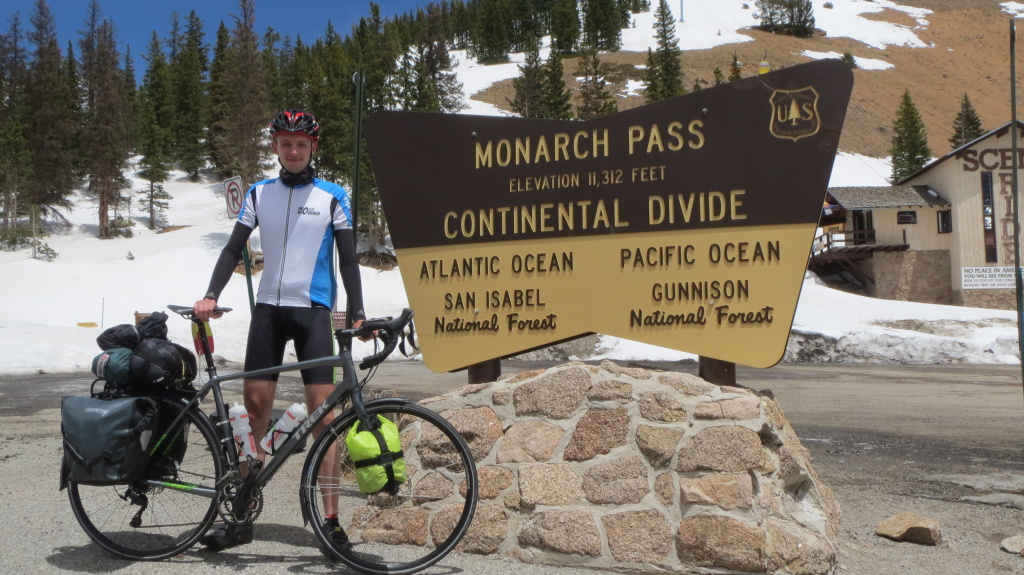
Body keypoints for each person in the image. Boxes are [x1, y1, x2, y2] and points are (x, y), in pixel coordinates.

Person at [193, 109, 366, 552]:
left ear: (313, 149)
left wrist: (358, 310)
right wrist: (210, 294)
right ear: (275, 147)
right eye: (285, 143)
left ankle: (330, 520)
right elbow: (234, 246)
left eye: (301, 145)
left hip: (313, 312)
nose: (293, 151)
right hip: (268, 311)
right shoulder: (258, 193)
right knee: (254, 413)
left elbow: (348, 260)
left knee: (324, 419)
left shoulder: (333, 196)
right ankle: (242, 514)